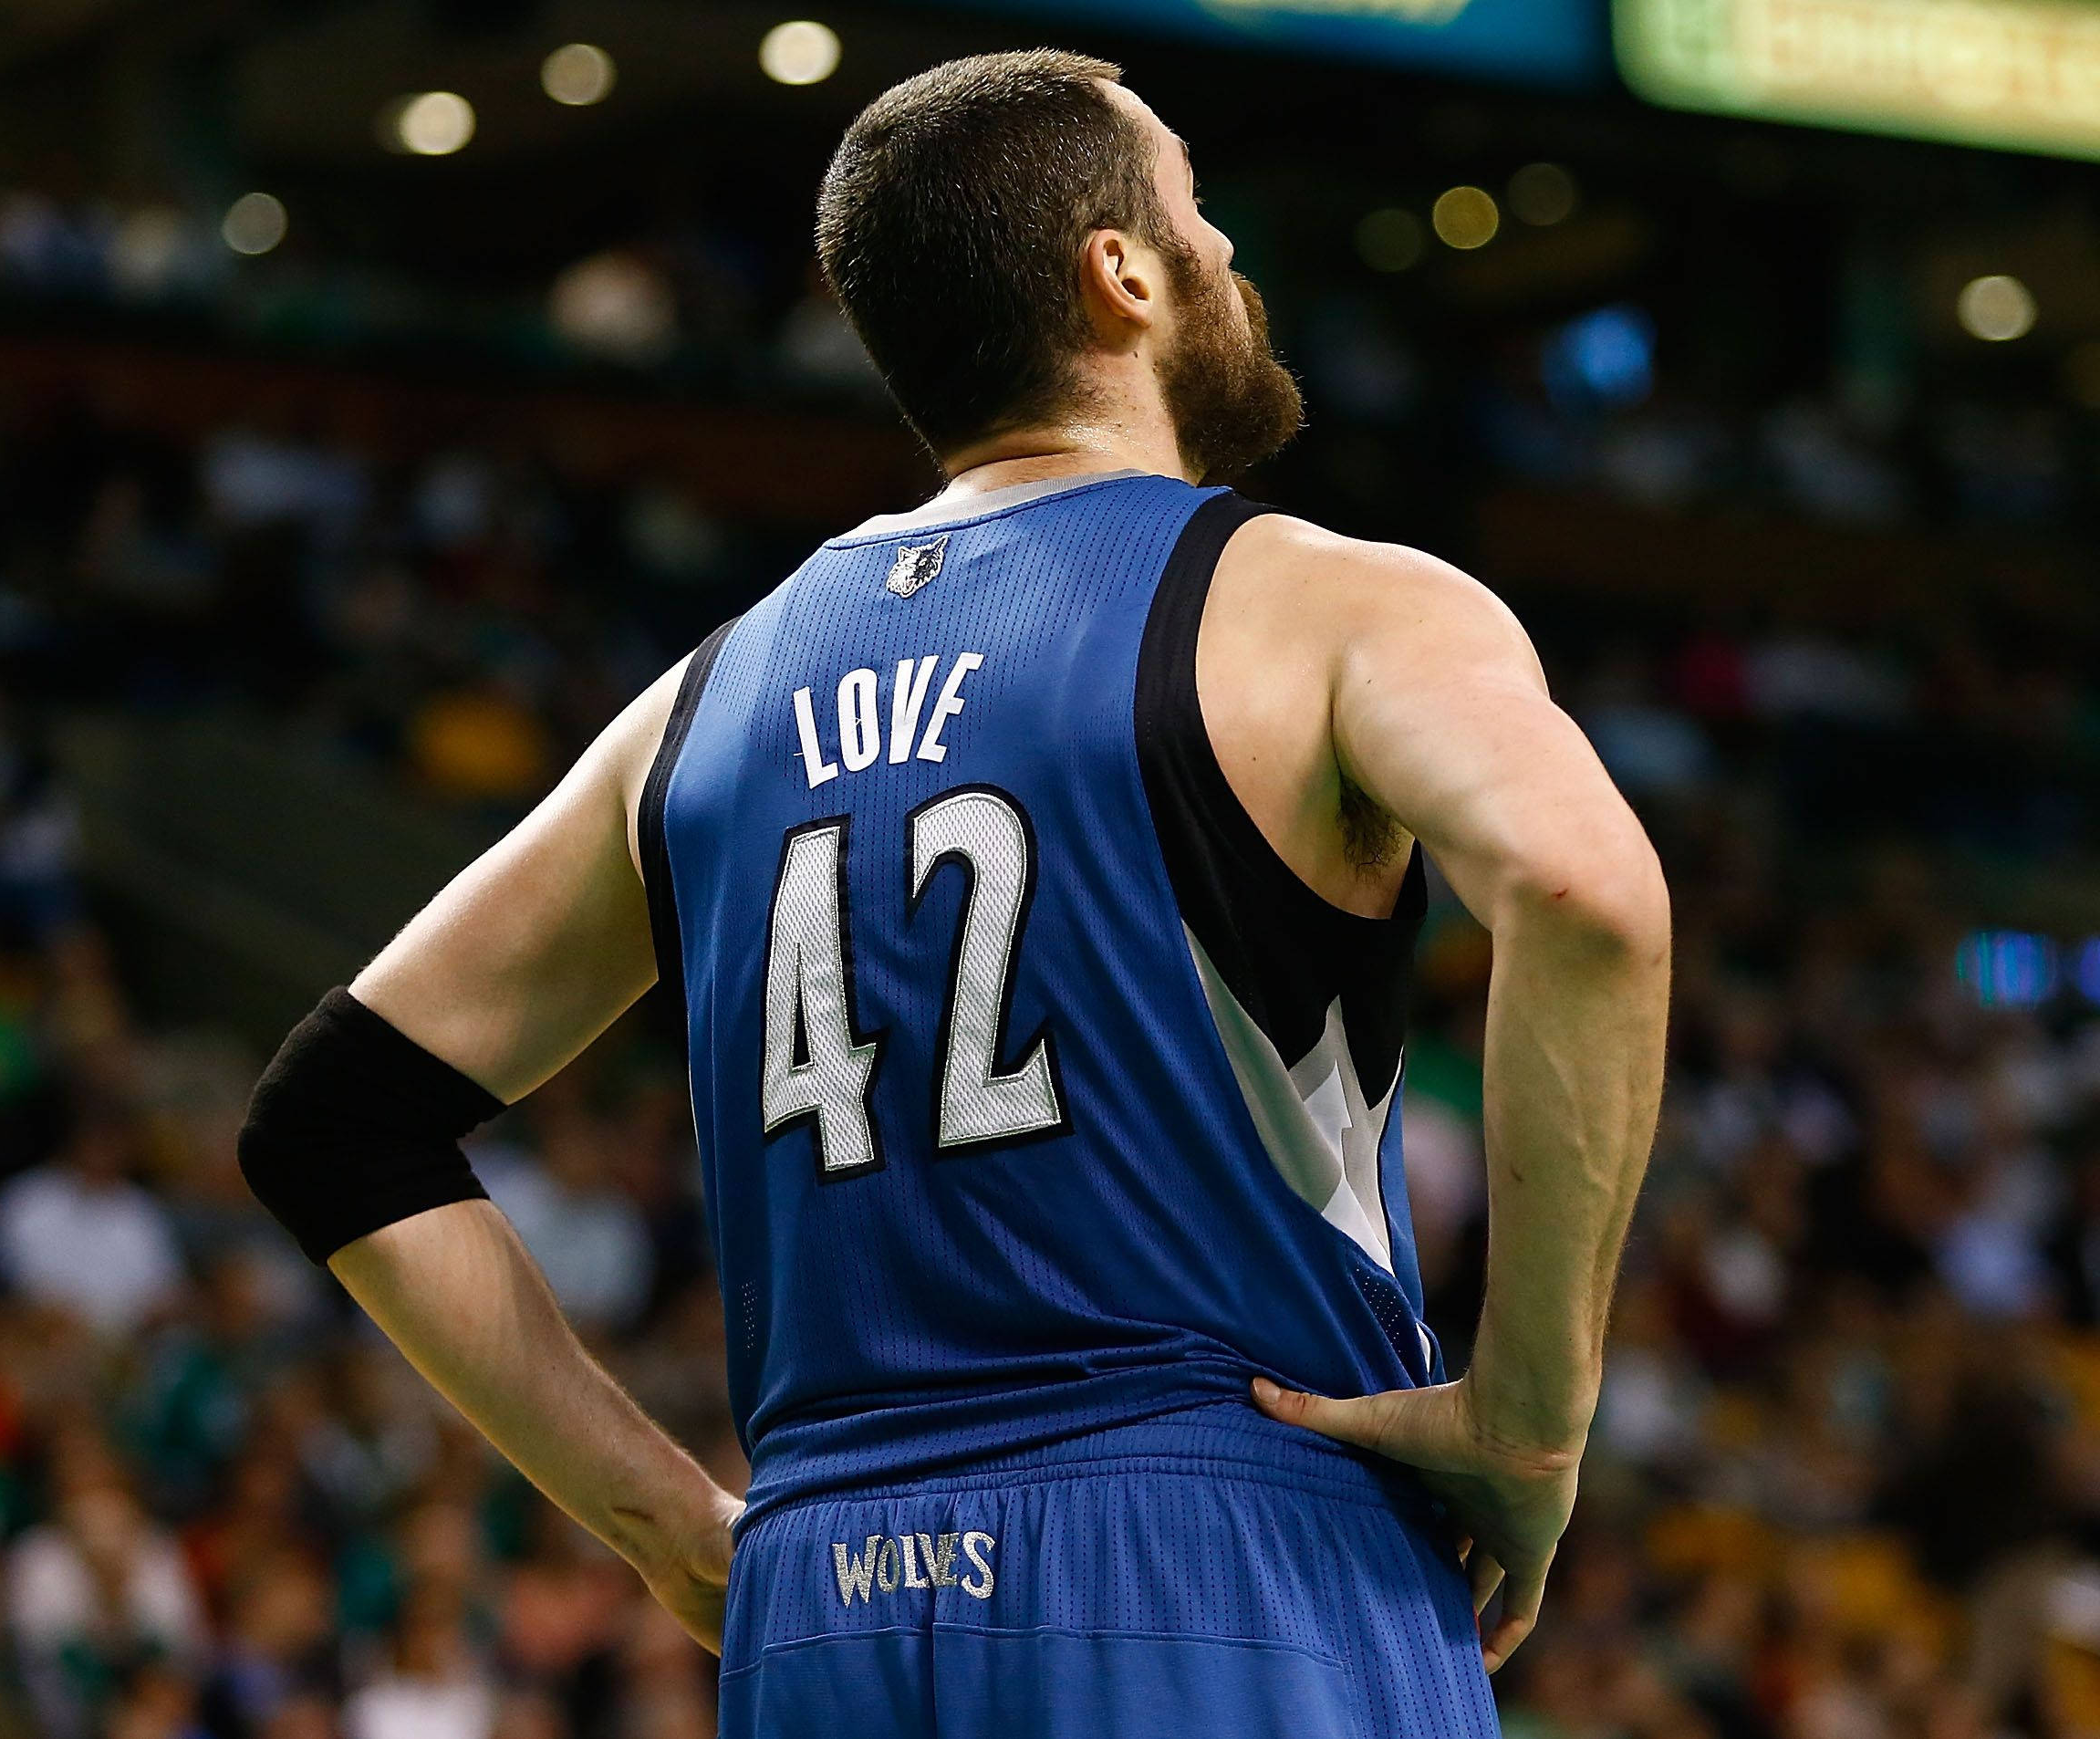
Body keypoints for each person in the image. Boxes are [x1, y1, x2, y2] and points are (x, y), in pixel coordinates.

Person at [237, 48, 1669, 1738]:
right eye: (1197, 208)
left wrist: (671, 1527)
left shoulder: (700, 705)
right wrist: (1528, 1419)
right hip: (1223, 1548)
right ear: (1122, 273)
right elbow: (1585, 893)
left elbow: (333, 1121)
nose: (1227, 249)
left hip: (823, 1601)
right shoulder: (1325, 603)